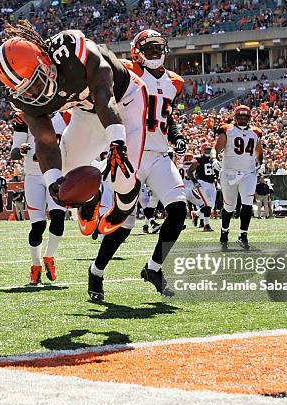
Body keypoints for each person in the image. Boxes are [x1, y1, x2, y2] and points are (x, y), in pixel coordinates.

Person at [0, 20, 146, 239]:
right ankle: (93, 198)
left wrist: (116, 142)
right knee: (65, 179)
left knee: (122, 177)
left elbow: (105, 97)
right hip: (86, 111)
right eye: (27, 91)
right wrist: (52, 181)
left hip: (124, 99)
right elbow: (45, 140)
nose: (36, 93)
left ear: (45, 61)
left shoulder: (74, 51)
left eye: (36, 83)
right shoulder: (23, 100)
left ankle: (122, 208)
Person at [85, 29, 189, 301]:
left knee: (178, 211)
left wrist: (176, 136)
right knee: (124, 223)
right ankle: (96, 270)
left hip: (157, 154)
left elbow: (166, 115)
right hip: (130, 152)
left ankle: (154, 268)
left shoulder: (174, 82)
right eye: (149, 48)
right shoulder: (126, 72)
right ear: (136, 52)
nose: (155, 53)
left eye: (158, 48)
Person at [10, 111, 67, 284]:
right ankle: (36, 265)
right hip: (33, 176)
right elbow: (14, 153)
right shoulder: (26, 116)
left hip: (57, 174)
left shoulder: (67, 116)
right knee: (38, 225)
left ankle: (49, 257)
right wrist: (20, 150)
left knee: (58, 218)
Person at [215, 105, 264, 250]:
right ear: (235, 118)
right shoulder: (227, 130)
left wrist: (261, 163)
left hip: (248, 173)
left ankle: (243, 235)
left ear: (249, 118)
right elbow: (215, 149)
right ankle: (224, 232)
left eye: (245, 117)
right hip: (228, 172)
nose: (243, 120)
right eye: (240, 117)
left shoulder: (255, 132)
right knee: (229, 206)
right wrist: (214, 159)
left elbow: (259, 151)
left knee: (247, 203)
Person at [186, 143, 219, 232]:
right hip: (202, 183)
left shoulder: (214, 159)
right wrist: (195, 182)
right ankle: (206, 225)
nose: (208, 151)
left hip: (212, 183)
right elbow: (189, 172)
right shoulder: (199, 159)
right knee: (208, 204)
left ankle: (196, 214)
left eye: (209, 149)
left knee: (210, 205)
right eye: (206, 149)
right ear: (202, 150)